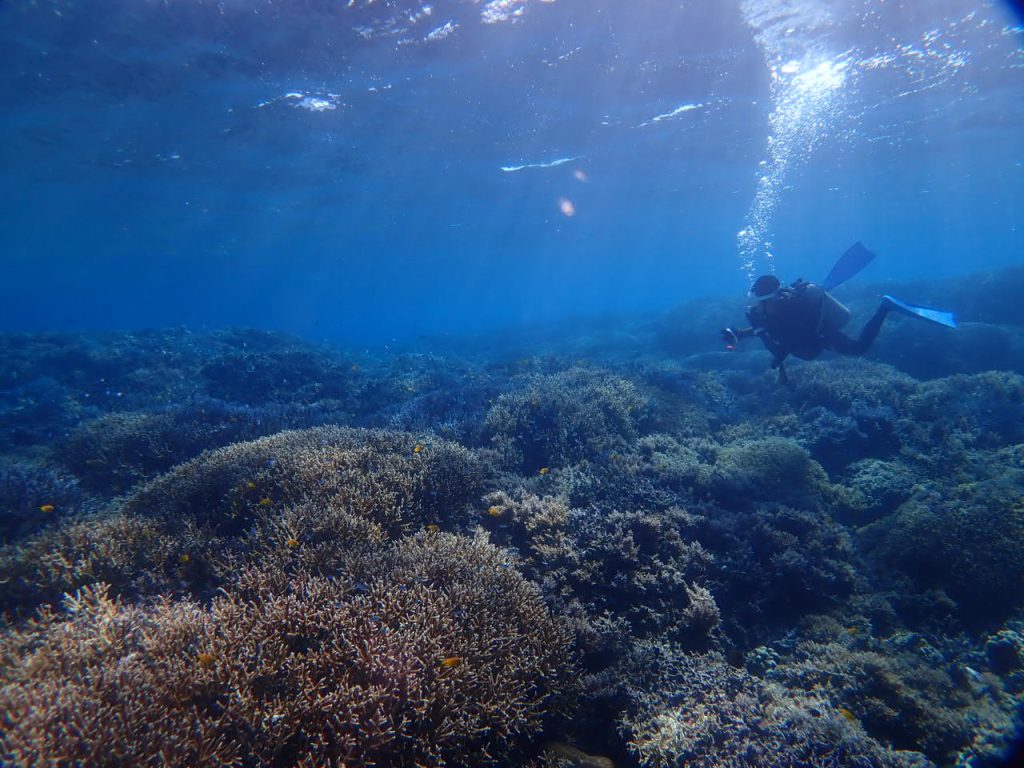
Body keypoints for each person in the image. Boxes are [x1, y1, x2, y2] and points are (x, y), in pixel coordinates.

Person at [721, 243, 958, 384]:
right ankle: (885, 306)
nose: (757, 306)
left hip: (817, 330)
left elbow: (782, 348)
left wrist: (761, 332)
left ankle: (885, 307)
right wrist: (739, 333)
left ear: (771, 297)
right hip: (804, 330)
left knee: (858, 349)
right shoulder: (771, 308)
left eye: (760, 300)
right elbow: (775, 328)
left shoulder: (787, 309)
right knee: (853, 349)